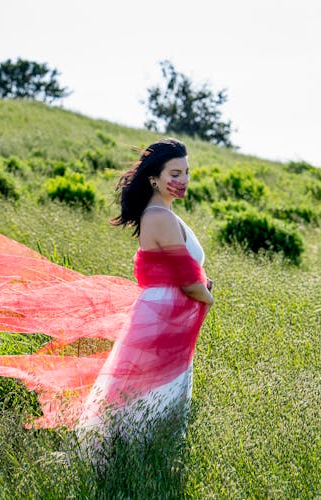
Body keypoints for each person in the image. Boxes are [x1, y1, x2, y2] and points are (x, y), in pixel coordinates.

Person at [73, 137, 214, 460]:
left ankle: (141, 460)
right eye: (174, 173)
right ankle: (132, 461)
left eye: (186, 173)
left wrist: (202, 288)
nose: (182, 181)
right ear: (154, 178)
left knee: (153, 390)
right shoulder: (160, 216)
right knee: (152, 392)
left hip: (165, 315)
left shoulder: (163, 213)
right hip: (163, 318)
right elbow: (189, 283)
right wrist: (209, 296)